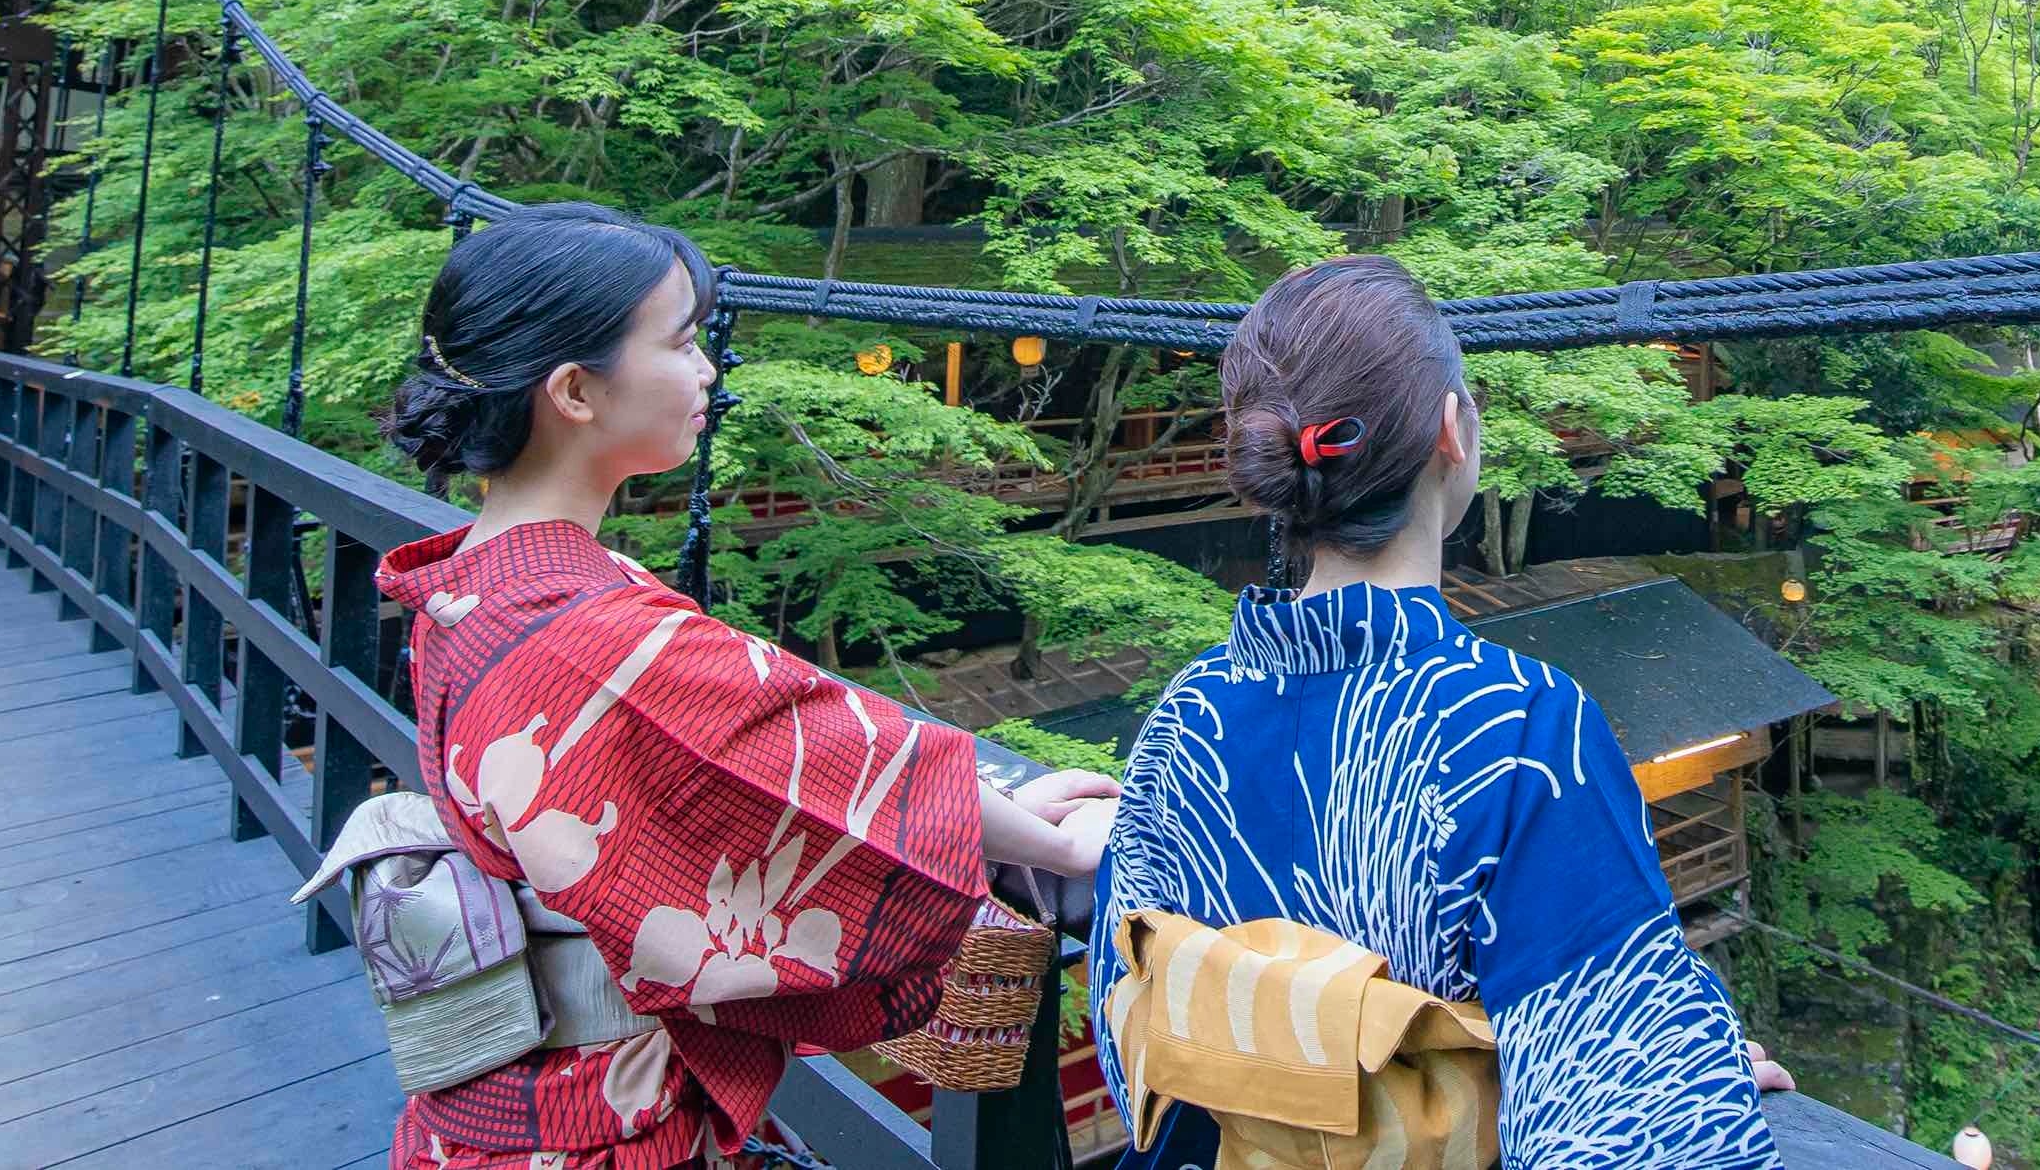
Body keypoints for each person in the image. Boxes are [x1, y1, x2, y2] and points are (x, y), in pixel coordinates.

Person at [372, 202, 1117, 1170]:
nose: (708, 370)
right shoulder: (596, 637)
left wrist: (999, 814)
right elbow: (832, 769)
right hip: (601, 1133)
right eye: (681, 341)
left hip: (495, 1112)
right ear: (574, 391)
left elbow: (770, 750)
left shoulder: (468, 585)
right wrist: (1050, 838)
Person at [1090, 255, 1792, 1168]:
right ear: (1452, 433)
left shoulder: (1185, 718)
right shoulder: (1522, 731)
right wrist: (1672, 1072)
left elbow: (1126, 1036)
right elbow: (1632, 1134)